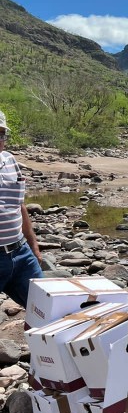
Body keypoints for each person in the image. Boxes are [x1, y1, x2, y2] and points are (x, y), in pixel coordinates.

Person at [0, 108, 43, 308]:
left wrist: (33, 244)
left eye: (1, 134)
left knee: (45, 312)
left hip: (21, 254)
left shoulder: (10, 160)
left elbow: (19, 204)